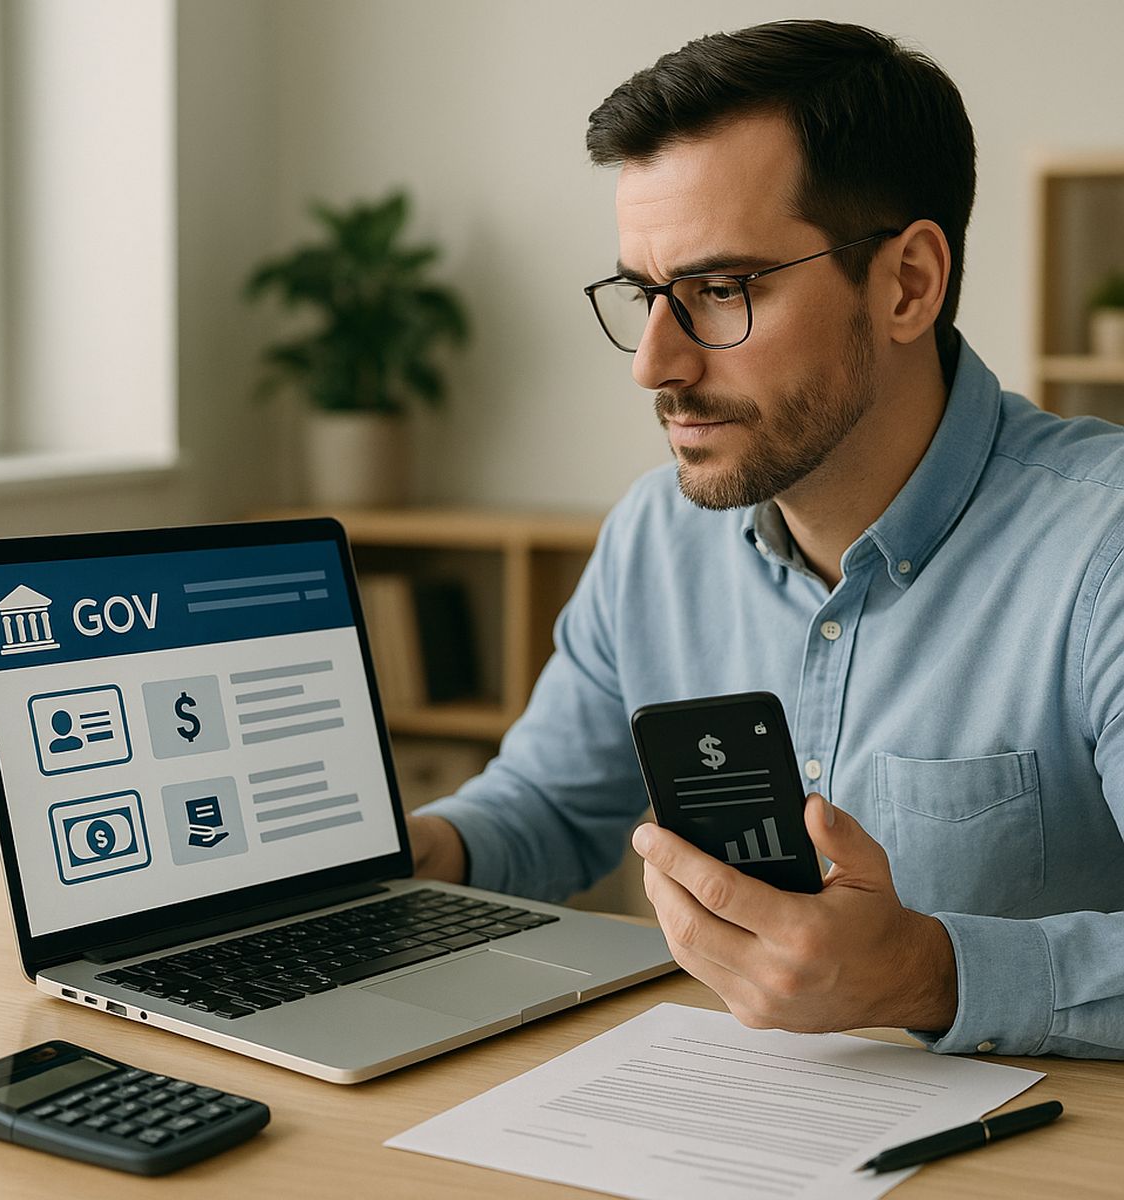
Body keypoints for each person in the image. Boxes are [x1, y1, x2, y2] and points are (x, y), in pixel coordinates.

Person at [408, 20, 1124, 1058]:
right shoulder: (656, 536)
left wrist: (932, 971)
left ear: (908, 284)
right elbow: (546, 808)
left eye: (721, 290)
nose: (654, 364)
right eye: (645, 294)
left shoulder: (1102, 550)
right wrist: (414, 852)